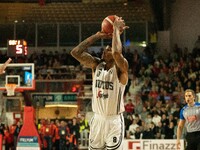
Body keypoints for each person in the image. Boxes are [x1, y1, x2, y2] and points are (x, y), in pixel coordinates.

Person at [71, 15, 129, 150]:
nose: (105, 50)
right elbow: (75, 52)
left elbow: (116, 53)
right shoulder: (96, 65)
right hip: (97, 119)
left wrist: (115, 30)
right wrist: (97, 36)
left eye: (108, 49)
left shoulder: (121, 68)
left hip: (113, 121)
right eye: (105, 48)